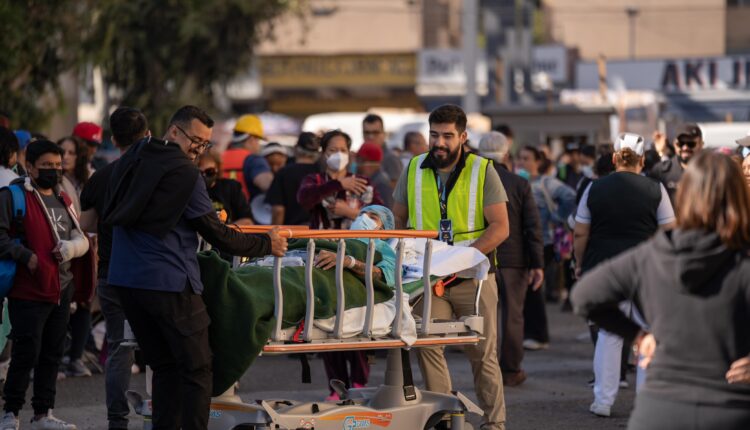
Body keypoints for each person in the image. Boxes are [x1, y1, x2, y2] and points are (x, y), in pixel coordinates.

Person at [103, 105, 287, 430]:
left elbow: (95, 210)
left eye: (205, 145)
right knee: (198, 369)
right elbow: (217, 234)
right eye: (195, 141)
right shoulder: (185, 173)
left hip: (126, 282)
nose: (199, 150)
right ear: (174, 131)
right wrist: (266, 245)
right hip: (169, 283)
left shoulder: (130, 158)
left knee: (165, 367)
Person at [572, 151, 750, 430]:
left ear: (687, 195)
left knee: (608, 341)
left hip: (659, 410)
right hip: (731, 406)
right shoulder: (742, 260)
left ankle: (603, 397)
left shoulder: (653, 255)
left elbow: (584, 296)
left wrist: (639, 336)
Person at [392, 104, 510, 430]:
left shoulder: (482, 169)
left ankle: (494, 423)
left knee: (483, 354)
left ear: (463, 136)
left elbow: (500, 227)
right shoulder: (413, 168)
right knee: (427, 345)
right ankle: (443, 418)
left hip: (474, 277)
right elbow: (397, 220)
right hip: (427, 278)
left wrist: (464, 258)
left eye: (447, 136)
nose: (439, 143)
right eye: (434, 135)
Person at [573, 133, 676, 418]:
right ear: (642, 160)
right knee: (647, 334)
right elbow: (670, 230)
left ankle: (603, 400)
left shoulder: (594, 189)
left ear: (616, 158)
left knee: (608, 334)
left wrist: (579, 263)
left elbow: (581, 232)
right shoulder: (656, 189)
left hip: (605, 268)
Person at [0, 140, 95, 430]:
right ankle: (10, 412)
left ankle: (44, 413)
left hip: (61, 288)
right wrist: (26, 257)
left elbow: (80, 237)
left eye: (58, 166)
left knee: (52, 352)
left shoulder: (63, 199)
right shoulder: (12, 196)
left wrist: (74, 248)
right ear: (30, 167)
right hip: (28, 289)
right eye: (47, 167)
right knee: (26, 351)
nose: (55, 171)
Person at [79, 107, 148, 430]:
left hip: (112, 272)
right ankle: (163, 411)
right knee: (163, 345)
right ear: (147, 135)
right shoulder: (158, 172)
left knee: (120, 348)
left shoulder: (102, 176)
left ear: (113, 139)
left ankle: (117, 419)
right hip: (152, 273)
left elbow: (87, 224)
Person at [478, 132, 544, 387]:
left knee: (483, 313)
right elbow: (532, 226)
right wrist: (537, 263)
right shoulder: (519, 183)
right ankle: (511, 369)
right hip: (514, 259)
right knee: (513, 315)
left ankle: (485, 367)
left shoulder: (473, 182)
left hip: (480, 255)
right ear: (506, 154)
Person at [316, 205, 397, 400]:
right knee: (328, 339)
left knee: (357, 333)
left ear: (384, 231)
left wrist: (350, 262)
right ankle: (336, 388)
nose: (363, 218)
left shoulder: (383, 249)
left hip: (359, 297)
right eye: (362, 214)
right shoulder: (339, 241)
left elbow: (384, 274)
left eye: (372, 217)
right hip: (326, 294)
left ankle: (359, 384)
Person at [516, 145, 576, 351]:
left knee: (534, 287)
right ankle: (528, 333)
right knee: (526, 289)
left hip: (544, 241)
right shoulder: (516, 181)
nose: (522, 162)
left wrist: (557, 217)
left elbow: (570, 196)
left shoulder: (545, 183)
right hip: (523, 241)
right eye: (520, 158)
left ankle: (538, 335)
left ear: (537, 162)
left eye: (526, 158)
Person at [297, 130, 383, 230]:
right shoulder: (315, 180)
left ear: (348, 153)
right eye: (333, 150)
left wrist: (349, 212)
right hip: (322, 243)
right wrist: (338, 185)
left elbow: (380, 216)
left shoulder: (362, 182)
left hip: (354, 243)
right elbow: (303, 199)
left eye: (343, 150)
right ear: (324, 153)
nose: (339, 155)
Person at [266, 132, 320, 226]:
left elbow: (278, 211)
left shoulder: (284, 173)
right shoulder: (323, 172)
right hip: (321, 233)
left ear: (296, 148)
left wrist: (274, 237)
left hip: (294, 234)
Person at [649, 123, 703, 204]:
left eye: (691, 143)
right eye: (681, 143)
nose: (685, 148)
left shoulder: (711, 172)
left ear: (701, 144)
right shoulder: (660, 171)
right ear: (675, 144)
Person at [197, 151, 253, 226]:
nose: (204, 176)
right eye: (199, 172)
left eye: (210, 171)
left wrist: (223, 231)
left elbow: (247, 221)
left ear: (217, 169)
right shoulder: (192, 189)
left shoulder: (231, 187)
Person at [221, 114, 269, 200]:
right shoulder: (254, 161)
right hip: (246, 212)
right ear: (251, 139)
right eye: (258, 140)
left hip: (219, 212)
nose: (258, 145)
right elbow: (268, 185)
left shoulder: (218, 158)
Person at [362, 114, 402, 186]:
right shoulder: (361, 157)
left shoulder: (391, 158)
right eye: (367, 133)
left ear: (383, 134)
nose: (370, 137)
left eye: (375, 132)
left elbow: (398, 190)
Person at [355, 140, 393, 208]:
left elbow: (385, 212)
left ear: (372, 163)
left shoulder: (381, 184)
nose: (357, 165)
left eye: (360, 161)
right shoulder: (372, 180)